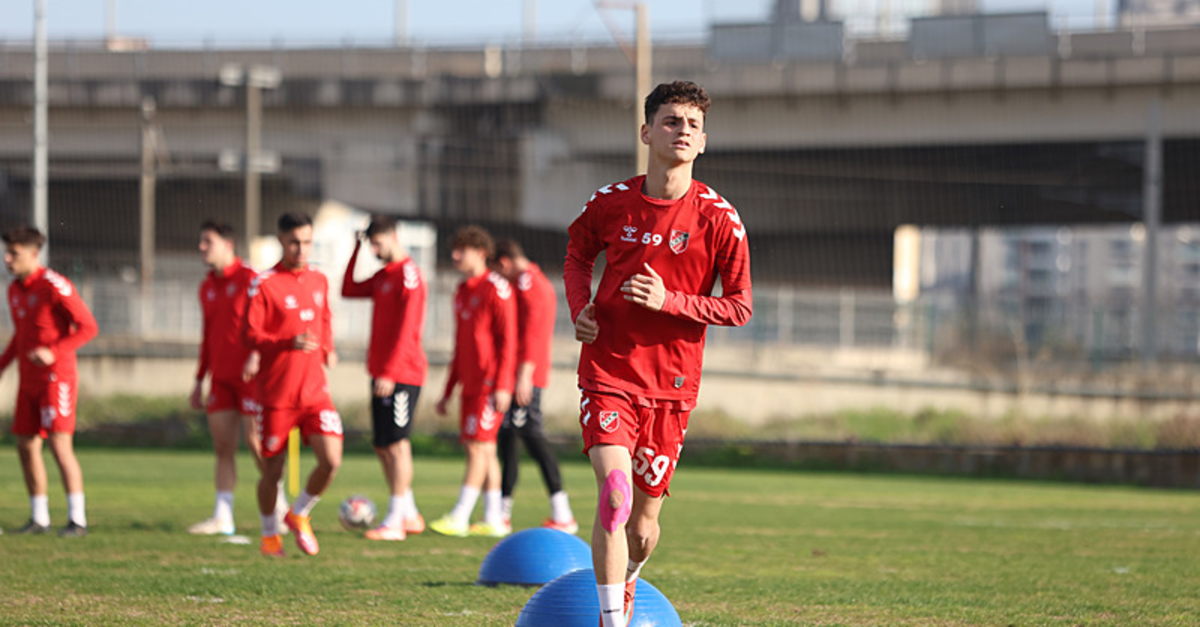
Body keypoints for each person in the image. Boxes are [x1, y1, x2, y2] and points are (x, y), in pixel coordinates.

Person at [563, 81, 753, 627]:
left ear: (703, 142)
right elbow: (577, 255)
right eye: (671, 121)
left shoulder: (720, 220)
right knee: (614, 494)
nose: (682, 131)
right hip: (608, 371)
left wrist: (670, 301)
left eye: (692, 125)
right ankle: (610, 620)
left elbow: (739, 307)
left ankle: (629, 579)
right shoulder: (609, 203)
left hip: (670, 386)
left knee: (642, 527)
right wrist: (581, 307)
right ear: (647, 132)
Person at [243, 212, 344, 557]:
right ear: (281, 240)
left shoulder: (319, 279)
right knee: (272, 470)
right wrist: (287, 341)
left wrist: (328, 347)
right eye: (294, 242)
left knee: (331, 459)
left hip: (315, 392)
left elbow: (324, 317)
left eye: (307, 242)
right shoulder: (264, 283)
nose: (301, 249)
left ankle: (298, 513)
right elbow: (250, 334)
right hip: (276, 395)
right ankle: (270, 536)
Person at [188, 220, 288, 536]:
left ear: (228, 244)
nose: (202, 248)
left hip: (251, 378)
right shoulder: (206, 286)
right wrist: (199, 378)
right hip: (220, 378)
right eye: (201, 242)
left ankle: (280, 505)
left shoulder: (251, 279)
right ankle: (223, 516)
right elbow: (208, 335)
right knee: (222, 447)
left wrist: (258, 354)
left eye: (208, 242)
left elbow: (271, 321)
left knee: (256, 443)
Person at [1, 226, 99, 538]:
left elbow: (88, 327)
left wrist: (54, 351)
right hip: (28, 381)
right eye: (6, 252)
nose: (7, 259)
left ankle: (77, 520)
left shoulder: (54, 285)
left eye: (13, 253)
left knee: (59, 445)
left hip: (58, 379)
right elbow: (20, 336)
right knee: (26, 446)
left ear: (33, 253)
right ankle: (39, 518)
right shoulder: (14, 290)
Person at [341, 214, 428, 541]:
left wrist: (391, 372)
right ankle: (409, 512)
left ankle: (394, 520)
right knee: (381, 444)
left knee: (397, 443)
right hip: (382, 372)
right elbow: (348, 289)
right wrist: (355, 250)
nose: (374, 249)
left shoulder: (409, 275)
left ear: (393, 235)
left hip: (402, 373)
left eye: (377, 242)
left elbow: (409, 329)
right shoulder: (383, 275)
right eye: (371, 244)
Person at [429, 226, 516, 539]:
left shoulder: (497, 288)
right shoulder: (462, 290)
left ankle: (460, 515)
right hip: (469, 383)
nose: (454, 255)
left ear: (480, 253)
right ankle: (493, 518)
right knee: (484, 450)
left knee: (478, 448)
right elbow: (461, 343)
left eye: (461, 250)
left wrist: (505, 385)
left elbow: (508, 341)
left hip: (490, 384)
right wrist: (448, 389)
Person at [491, 238, 577, 533]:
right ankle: (502, 511)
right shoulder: (530, 282)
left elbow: (532, 334)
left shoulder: (530, 285)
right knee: (511, 438)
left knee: (530, 436)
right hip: (517, 374)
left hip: (525, 376)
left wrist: (524, 375)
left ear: (503, 264)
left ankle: (562, 511)